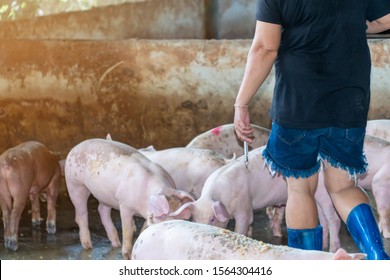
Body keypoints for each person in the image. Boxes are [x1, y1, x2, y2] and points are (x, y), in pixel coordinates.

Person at [233, 0, 390, 260]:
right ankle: (377, 257)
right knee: (343, 187)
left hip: (298, 103)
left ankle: (308, 268)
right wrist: (351, 26)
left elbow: (265, 47)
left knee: (300, 189)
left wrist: (241, 103)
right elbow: (386, 19)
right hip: (349, 102)